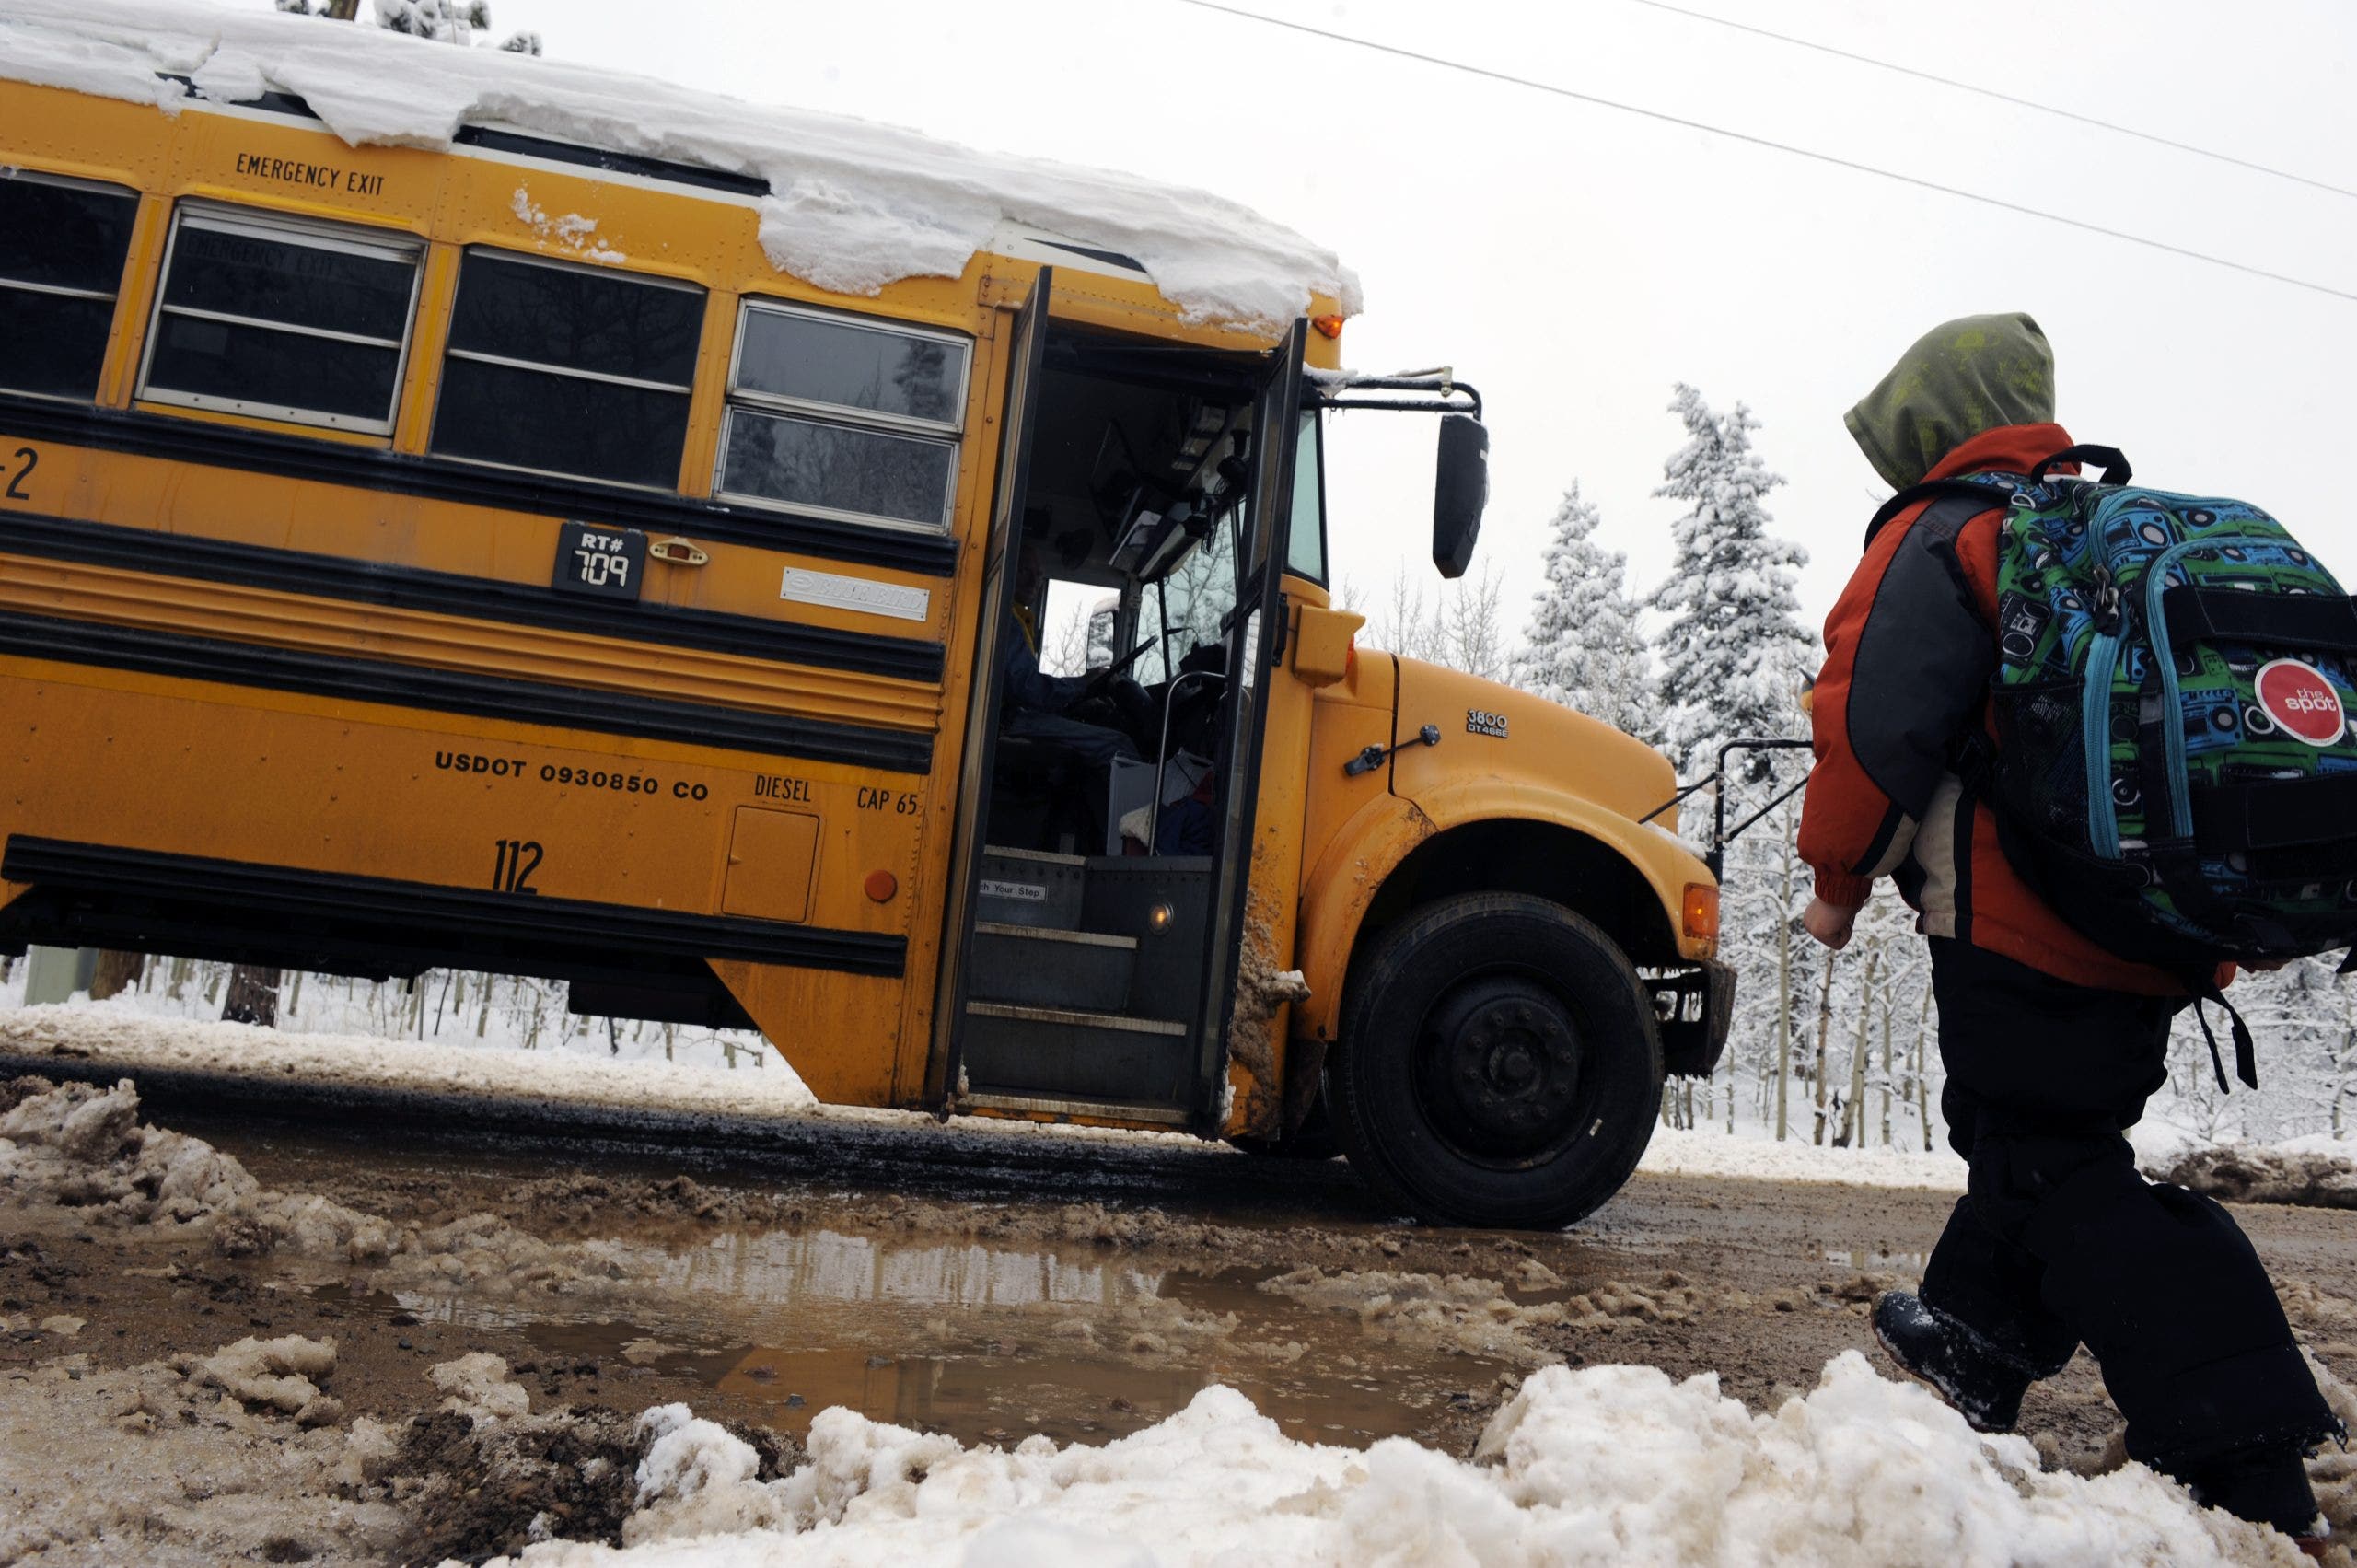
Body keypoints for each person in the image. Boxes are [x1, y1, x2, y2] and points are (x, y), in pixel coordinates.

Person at [1798, 313, 2340, 1546]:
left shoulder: (1949, 528)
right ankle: (1972, 1344)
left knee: (2045, 1154)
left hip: (2020, 913)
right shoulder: (2085, 524)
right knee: (2031, 1128)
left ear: (1932, 421)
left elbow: (1872, 719)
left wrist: (1834, 877)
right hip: (2141, 918)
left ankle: (2246, 1448)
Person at [997, 538, 1146, 848]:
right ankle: (1128, 848)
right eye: (1025, 570)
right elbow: (1025, 688)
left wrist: (1080, 693)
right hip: (1010, 721)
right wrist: (1080, 683)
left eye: (1038, 574)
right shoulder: (1005, 621)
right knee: (1118, 746)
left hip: (1016, 715)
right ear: (1008, 569)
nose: (1034, 580)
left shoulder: (1015, 617)